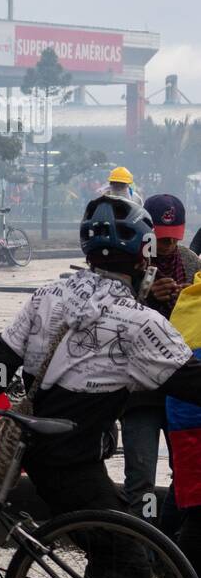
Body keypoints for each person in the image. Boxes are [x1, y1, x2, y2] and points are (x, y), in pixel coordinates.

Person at [0, 194, 201, 578]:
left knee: (109, 553)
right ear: (144, 254)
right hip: (72, 460)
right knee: (131, 566)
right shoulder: (137, 319)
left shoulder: (47, 295)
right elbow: (189, 379)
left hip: (40, 450)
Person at [120, 194, 201, 517]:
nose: (168, 245)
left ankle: (170, 545)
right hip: (140, 390)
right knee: (140, 476)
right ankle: (139, 551)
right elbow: (115, 317)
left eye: (174, 238)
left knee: (185, 471)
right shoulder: (128, 263)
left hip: (182, 385)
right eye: (161, 239)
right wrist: (148, 296)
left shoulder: (191, 261)